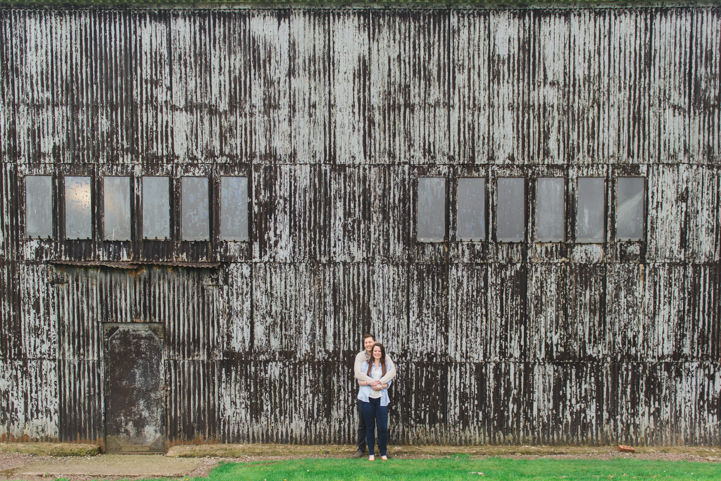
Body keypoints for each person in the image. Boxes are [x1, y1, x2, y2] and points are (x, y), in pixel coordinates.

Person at [353, 333, 396, 458]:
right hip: (366, 396)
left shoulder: (383, 356)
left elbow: (391, 371)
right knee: (364, 424)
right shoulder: (361, 357)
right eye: (366, 342)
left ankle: (383, 451)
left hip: (380, 396)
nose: (368, 344)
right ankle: (362, 449)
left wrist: (381, 383)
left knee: (382, 426)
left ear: (374, 342)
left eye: (370, 342)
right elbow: (358, 374)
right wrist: (371, 382)